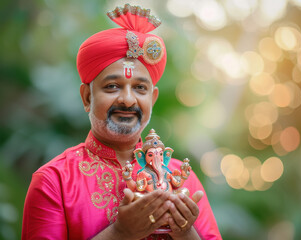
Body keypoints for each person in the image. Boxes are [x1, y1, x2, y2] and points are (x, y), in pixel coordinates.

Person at [22, 3, 221, 240]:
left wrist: (186, 232)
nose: (127, 100)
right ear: (87, 97)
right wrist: (120, 233)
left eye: (139, 88)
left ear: (152, 98)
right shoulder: (54, 181)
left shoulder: (183, 178)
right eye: (112, 86)